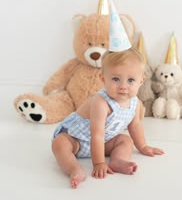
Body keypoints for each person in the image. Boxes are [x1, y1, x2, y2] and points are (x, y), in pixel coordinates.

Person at [52, 48, 164, 189]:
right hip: (76, 140)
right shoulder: (101, 102)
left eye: (130, 80)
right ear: (103, 79)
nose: (123, 86)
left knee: (125, 140)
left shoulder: (135, 102)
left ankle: (118, 160)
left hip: (103, 143)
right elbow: (96, 135)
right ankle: (74, 169)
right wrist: (98, 163)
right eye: (116, 79)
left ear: (141, 81)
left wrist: (143, 146)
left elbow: (135, 126)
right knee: (59, 143)